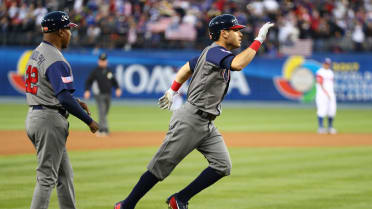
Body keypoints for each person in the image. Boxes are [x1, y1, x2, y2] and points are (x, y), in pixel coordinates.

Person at [114, 14, 274, 209]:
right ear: (224, 33)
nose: (240, 34)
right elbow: (238, 64)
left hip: (206, 123)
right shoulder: (215, 51)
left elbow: (186, 69)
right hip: (190, 119)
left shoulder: (211, 53)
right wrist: (258, 41)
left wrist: (173, 89)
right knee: (161, 167)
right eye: (236, 31)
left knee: (222, 166)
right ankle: (126, 205)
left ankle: (179, 199)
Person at [25, 11, 99, 209]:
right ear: (59, 32)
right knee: (46, 178)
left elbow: (51, 89)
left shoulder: (38, 52)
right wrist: (88, 120)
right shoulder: (56, 59)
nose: (70, 33)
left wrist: (73, 100)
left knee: (64, 175)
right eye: (68, 29)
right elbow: (63, 97)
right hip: (48, 120)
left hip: (37, 115)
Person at [84, 52, 122, 136]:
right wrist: (87, 90)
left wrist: (118, 88)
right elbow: (88, 81)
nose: (103, 62)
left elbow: (114, 80)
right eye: (101, 60)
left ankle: (102, 128)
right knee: (102, 111)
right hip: (99, 94)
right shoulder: (95, 71)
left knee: (105, 111)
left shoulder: (109, 70)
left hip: (108, 94)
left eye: (104, 60)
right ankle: (103, 129)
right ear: (99, 61)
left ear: (106, 61)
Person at [315, 58, 337, 134]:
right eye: (325, 63)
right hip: (322, 94)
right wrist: (326, 93)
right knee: (322, 110)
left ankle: (330, 127)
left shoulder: (331, 72)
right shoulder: (320, 72)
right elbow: (320, 83)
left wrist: (330, 93)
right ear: (323, 64)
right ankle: (320, 127)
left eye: (328, 63)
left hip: (331, 94)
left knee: (332, 110)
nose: (327, 65)